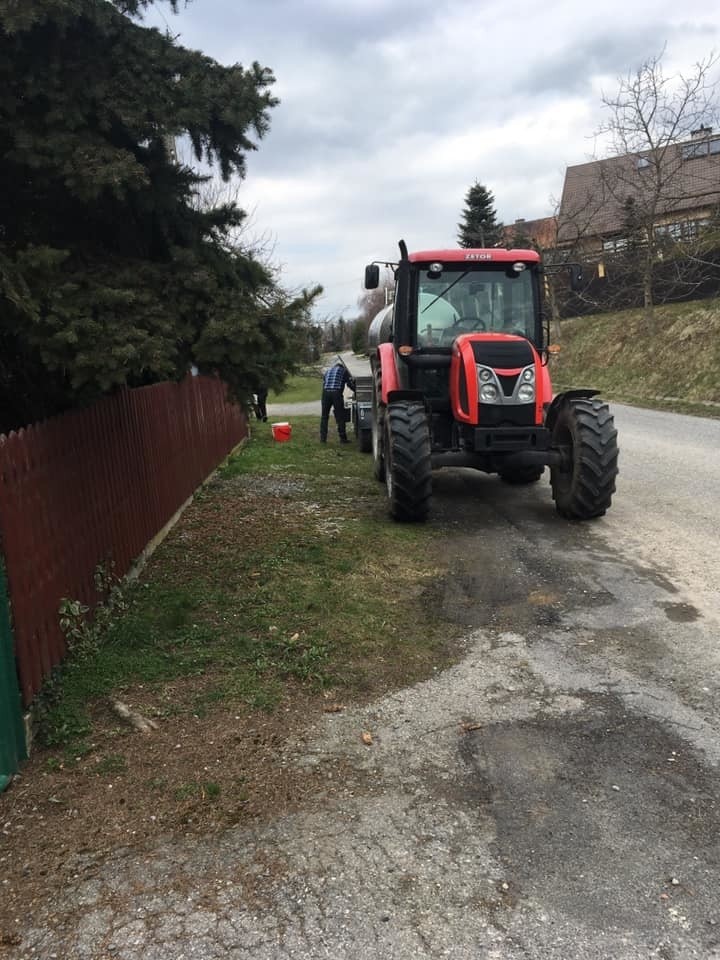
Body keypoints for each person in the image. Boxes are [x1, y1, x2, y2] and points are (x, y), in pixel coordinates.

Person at [320, 361, 355, 443]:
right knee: (340, 416)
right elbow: (349, 384)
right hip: (336, 393)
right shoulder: (344, 371)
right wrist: (356, 390)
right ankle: (343, 439)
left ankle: (323, 439)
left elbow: (324, 382)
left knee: (324, 416)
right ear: (342, 367)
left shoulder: (328, 371)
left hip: (325, 393)